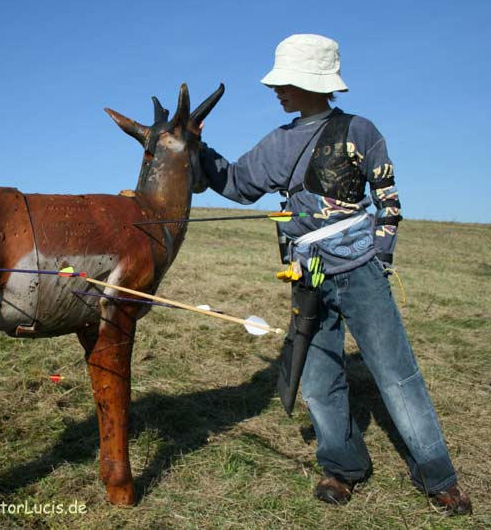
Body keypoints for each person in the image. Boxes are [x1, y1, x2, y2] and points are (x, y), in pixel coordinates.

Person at [197, 33, 472, 514]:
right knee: (319, 377)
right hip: (307, 275)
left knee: (397, 376)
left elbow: (389, 203)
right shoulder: (278, 142)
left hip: (362, 271)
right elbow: (236, 183)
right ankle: (342, 467)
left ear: (311, 83)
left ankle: (437, 476)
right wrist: (195, 148)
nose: (277, 90)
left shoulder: (361, 130)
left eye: (285, 81)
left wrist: (380, 257)